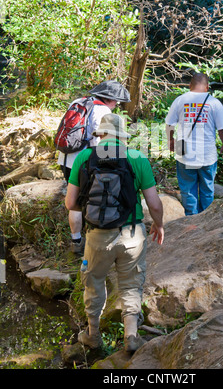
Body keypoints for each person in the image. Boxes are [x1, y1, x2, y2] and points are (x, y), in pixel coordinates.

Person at [65, 113, 164, 353]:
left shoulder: (85, 158)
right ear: (123, 136)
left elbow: (70, 203)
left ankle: (93, 336)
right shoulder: (137, 157)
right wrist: (158, 225)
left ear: (100, 134)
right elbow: (154, 204)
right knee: (131, 284)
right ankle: (131, 335)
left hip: (97, 236)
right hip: (132, 234)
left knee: (94, 282)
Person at [58, 80, 131, 254]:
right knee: (94, 199)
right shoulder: (103, 111)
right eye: (116, 101)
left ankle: (76, 241)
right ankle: (93, 242)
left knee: (75, 202)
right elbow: (100, 141)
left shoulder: (77, 102)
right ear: (109, 99)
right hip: (86, 162)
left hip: (66, 159)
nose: (116, 105)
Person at [165, 71, 223, 215]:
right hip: (207, 153)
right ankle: (206, 220)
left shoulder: (180, 100)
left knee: (188, 190)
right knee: (207, 189)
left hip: (184, 152)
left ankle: (192, 221)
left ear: (189, 85)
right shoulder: (214, 103)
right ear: (207, 87)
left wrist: (170, 140)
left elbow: (169, 124)